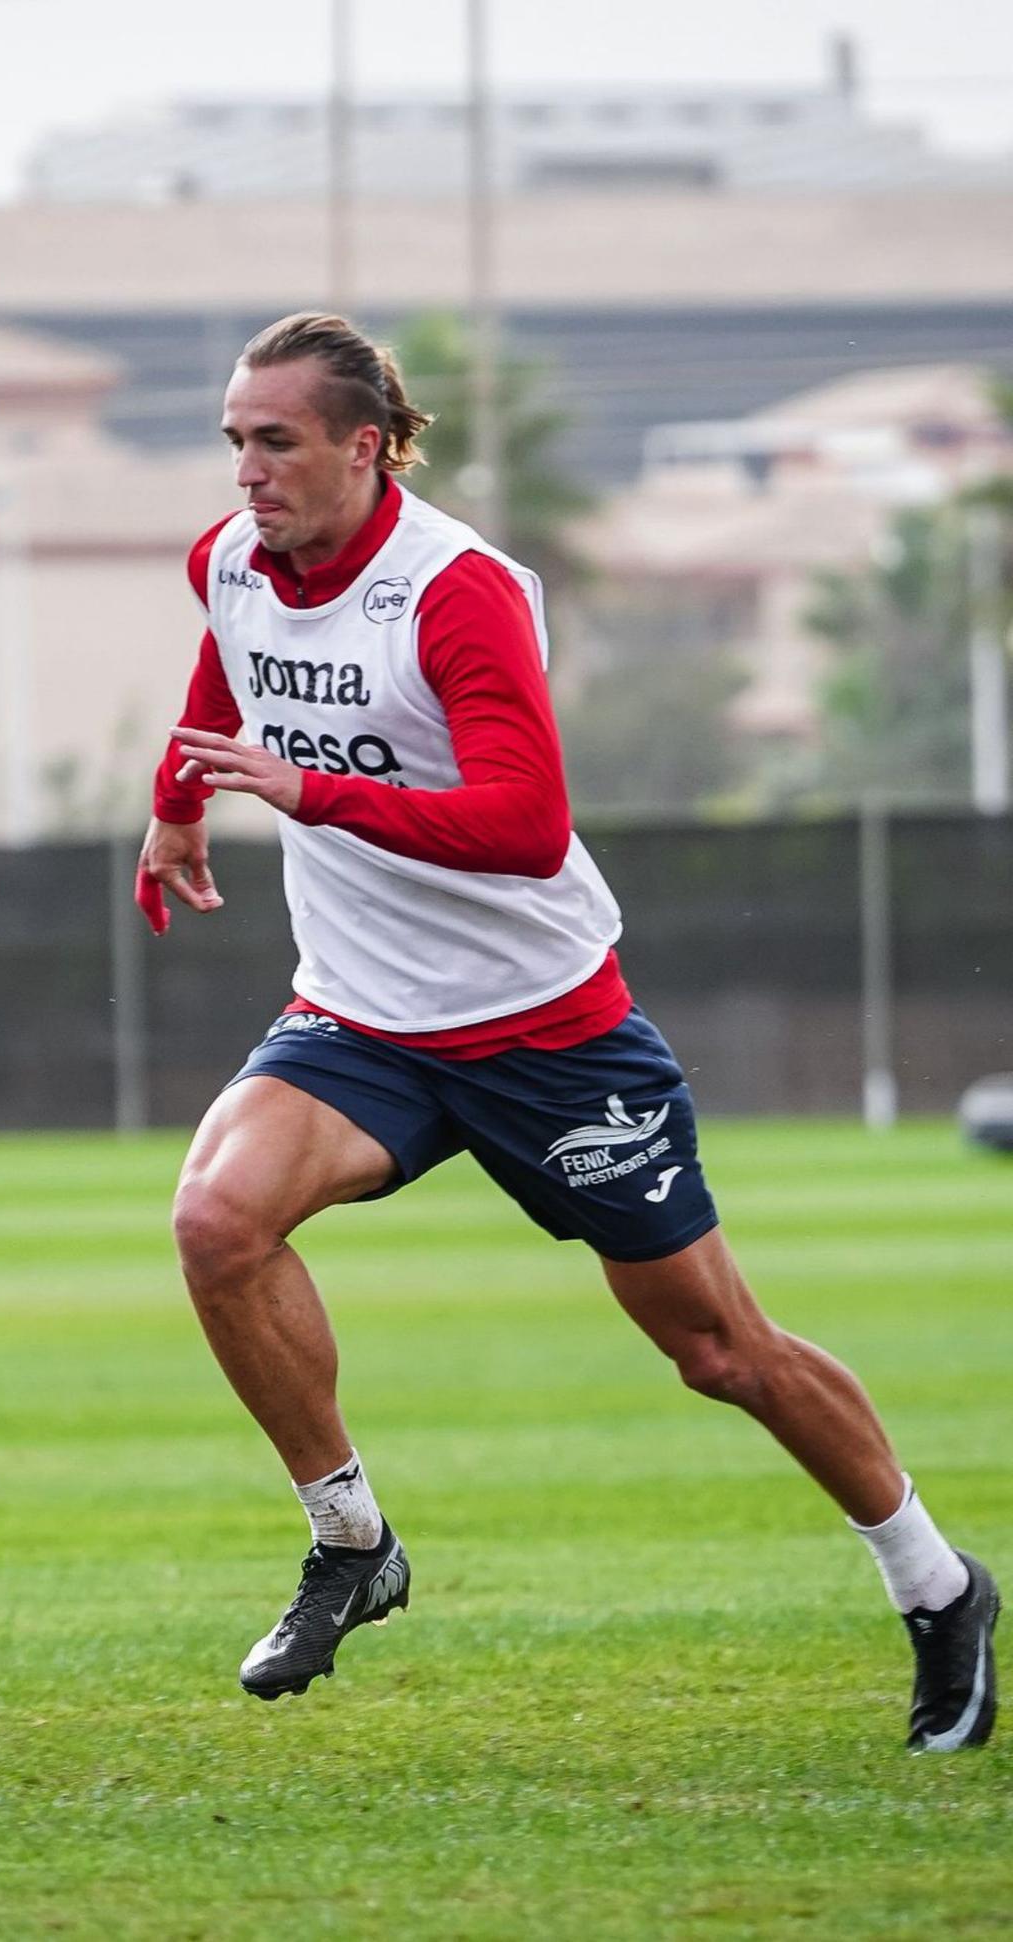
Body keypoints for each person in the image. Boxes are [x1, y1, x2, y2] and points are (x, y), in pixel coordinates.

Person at [135, 312, 999, 1746]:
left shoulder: (456, 590)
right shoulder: (231, 560)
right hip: (360, 1018)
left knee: (721, 1350)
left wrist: (307, 790)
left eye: (275, 441)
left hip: (546, 1032)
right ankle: (352, 1539)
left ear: (363, 445)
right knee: (218, 1220)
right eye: (234, 439)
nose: (248, 471)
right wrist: (178, 803)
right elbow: (230, 669)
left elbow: (528, 829)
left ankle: (937, 1582)